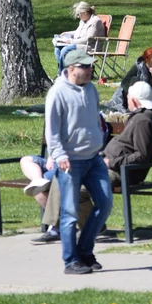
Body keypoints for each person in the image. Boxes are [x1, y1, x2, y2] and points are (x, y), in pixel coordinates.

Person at [45, 48, 112, 275]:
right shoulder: (57, 93)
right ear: (71, 69)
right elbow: (52, 131)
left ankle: (85, 251)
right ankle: (71, 261)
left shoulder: (91, 89)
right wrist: (60, 155)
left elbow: (95, 120)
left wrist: (99, 145)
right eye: (85, 66)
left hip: (93, 159)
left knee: (104, 204)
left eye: (90, 66)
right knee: (70, 214)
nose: (90, 70)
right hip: (70, 162)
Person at [104, 81, 152, 187]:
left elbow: (141, 156)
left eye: (128, 97)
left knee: (75, 187)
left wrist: (111, 163)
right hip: (115, 168)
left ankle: (100, 204)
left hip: (121, 172)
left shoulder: (143, 121)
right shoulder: (141, 117)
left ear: (134, 101)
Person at [105, 47, 152, 112]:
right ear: (147, 59)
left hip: (150, 97)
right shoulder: (138, 68)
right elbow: (124, 83)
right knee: (134, 79)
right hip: (133, 97)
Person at [53, 2, 107, 72]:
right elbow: (78, 32)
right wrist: (66, 33)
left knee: (65, 50)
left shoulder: (95, 21)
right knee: (57, 49)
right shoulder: (83, 20)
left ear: (84, 12)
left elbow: (89, 39)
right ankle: (68, 72)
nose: (78, 16)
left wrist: (70, 41)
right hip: (80, 44)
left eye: (79, 14)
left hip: (90, 47)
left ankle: (62, 75)